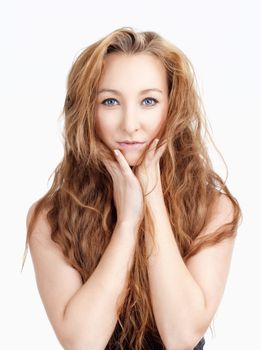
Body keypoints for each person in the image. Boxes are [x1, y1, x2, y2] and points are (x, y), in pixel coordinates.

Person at [22, 26, 242, 350]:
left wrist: (151, 198)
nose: (130, 123)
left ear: (173, 107)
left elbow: (181, 337)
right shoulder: (52, 218)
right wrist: (127, 223)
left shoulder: (212, 208)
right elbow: (83, 343)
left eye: (149, 101)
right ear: (87, 111)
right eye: (110, 101)